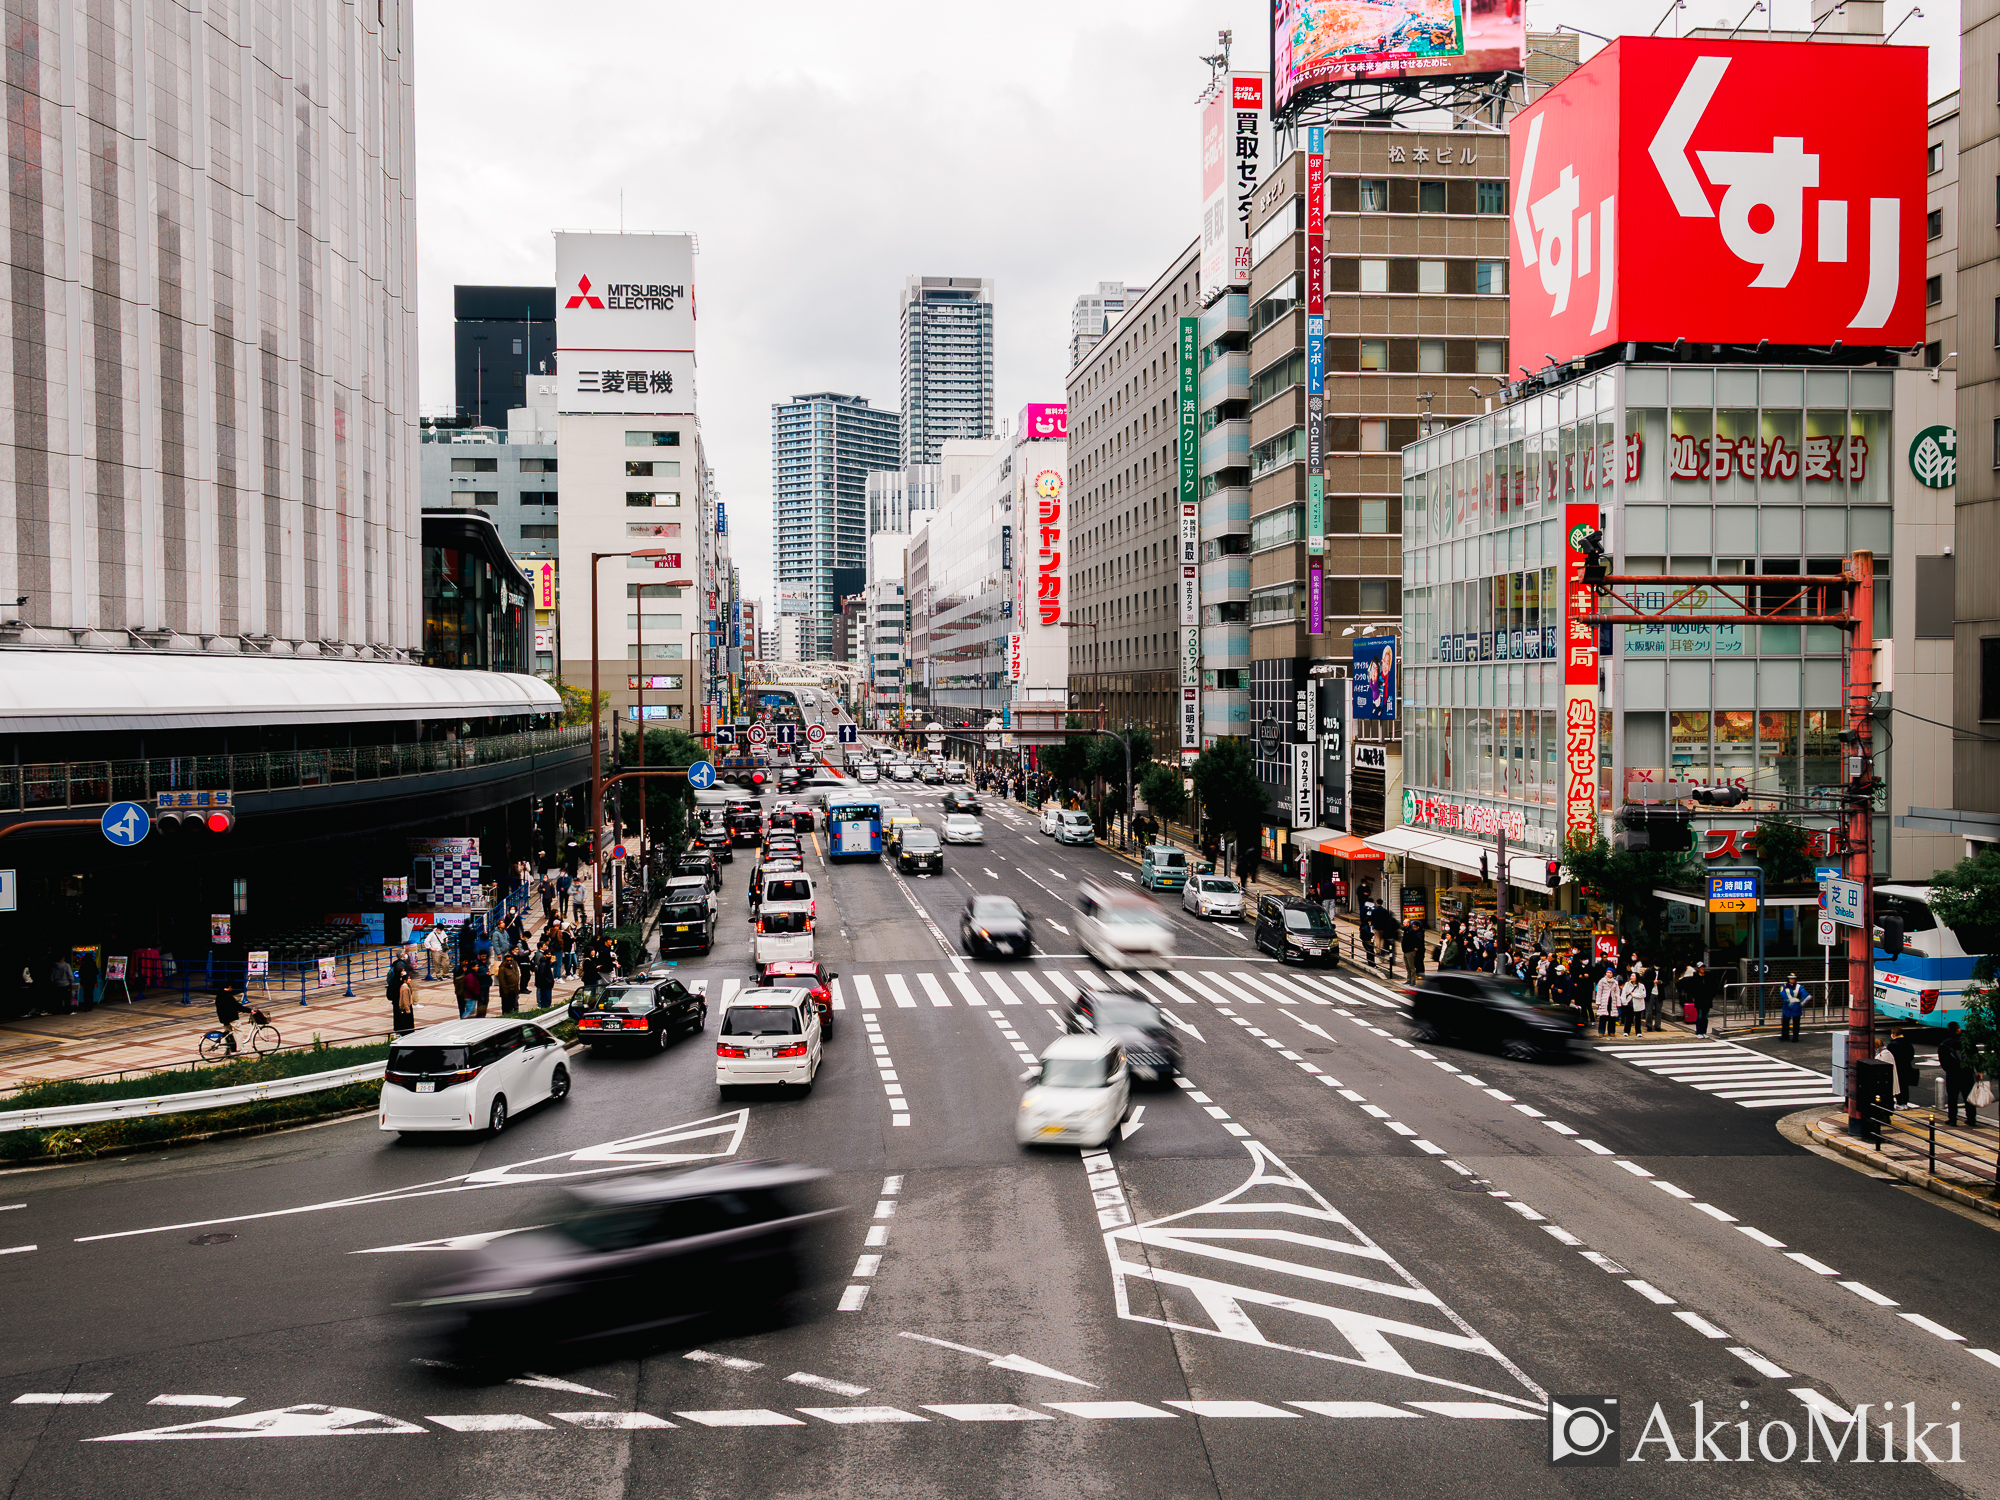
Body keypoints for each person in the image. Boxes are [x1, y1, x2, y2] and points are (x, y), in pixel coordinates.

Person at [1939, 1022, 1978, 1127]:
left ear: (1948, 1030)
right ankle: (1971, 1119)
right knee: (1968, 1097)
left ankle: (1952, 1119)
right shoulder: (1968, 1042)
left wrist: (1949, 1070)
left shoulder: (1945, 1044)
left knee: (1952, 1097)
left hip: (1953, 1074)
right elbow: (1976, 1057)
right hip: (1967, 1073)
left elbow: (1943, 1061)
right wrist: (1977, 1071)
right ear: (1959, 1030)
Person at [1886, 1027, 1918, 1109]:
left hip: (1897, 1067)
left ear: (1894, 1034)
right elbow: (1911, 1056)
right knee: (1905, 1085)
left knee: (1897, 1085)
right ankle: (1905, 1102)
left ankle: (1899, 1102)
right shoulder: (1908, 1043)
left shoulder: (1892, 1045)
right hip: (1906, 1066)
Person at [213, 977, 246, 1055]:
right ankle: (239, 1050)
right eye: (232, 988)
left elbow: (224, 1006)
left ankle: (228, 1050)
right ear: (230, 987)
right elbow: (238, 1006)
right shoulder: (229, 997)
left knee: (228, 1033)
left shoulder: (220, 994)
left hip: (223, 1018)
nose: (233, 990)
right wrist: (250, 1010)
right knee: (239, 1031)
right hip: (231, 1017)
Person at [1777, 975, 1808, 1042]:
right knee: (1785, 1023)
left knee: (1796, 1023)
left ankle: (1795, 1037)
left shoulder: (1799, 987)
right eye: (1791, 979)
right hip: (1787, 1007)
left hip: (1795, 1007)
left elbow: (1804, 995)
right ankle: (1785, 1036)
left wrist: (1800, 1001)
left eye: (1793, 979)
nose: (1792, 980)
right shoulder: (1784, 986)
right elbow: (1783, 995)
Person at [1593, 966, 1620, 1037]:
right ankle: (1601, 1031)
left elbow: (1617, 992)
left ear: (1612, 974)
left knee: (1612, 1017)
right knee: (1603, 1017)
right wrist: (1598, 1001)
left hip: (1612, 1000)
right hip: (1604, 1000)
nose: (1608, 974)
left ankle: (1611, 1031)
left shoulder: (1615, 982)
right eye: (1607, 972)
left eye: (1610, 973)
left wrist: (1618, 1002)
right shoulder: (1602, 981)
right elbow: (1599, 992)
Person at [1618, 970, 1646, 1037]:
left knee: (1638, 1019)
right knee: (1628, 1018)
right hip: (1629, 1003)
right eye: (1631, 976)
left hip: (1638, 1004)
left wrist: (1633, 994)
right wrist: (1624, 1002)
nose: (1631, 977)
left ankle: (1638, 1031)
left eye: (1633, 976)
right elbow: (1623, 994)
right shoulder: (1627, 984)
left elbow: (1643, 995)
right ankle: (1626, 1031)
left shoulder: (1641, 986)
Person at [393, 966, 418, 1036]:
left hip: (404, 1007)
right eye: (409, 978)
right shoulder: (405, 988)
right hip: (405, 1008)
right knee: (407, 1023)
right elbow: (405, 999)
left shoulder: (404, 986)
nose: (410, 980)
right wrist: (407, 1009)